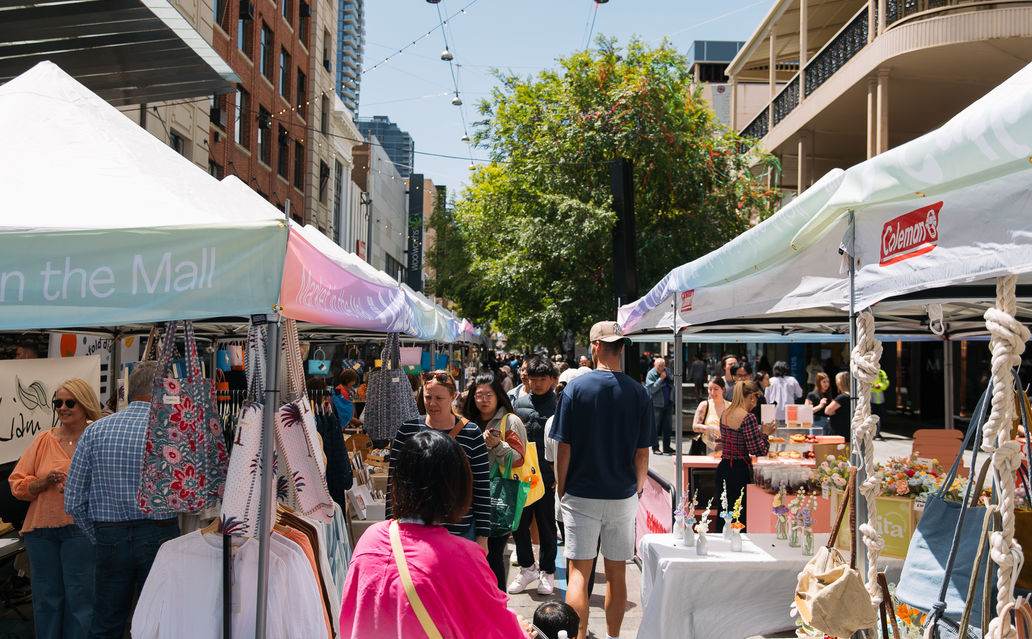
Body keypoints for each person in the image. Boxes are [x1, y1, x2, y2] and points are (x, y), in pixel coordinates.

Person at [339, 430, 533, 638]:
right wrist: (520, 628)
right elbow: (495, 627)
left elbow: (350, 618)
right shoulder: (463, 555)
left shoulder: (371, 539)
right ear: (457, 486)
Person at [64, 361, 181, 639]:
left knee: (106, 622)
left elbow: (73, 498)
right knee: (158, 621)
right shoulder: (171, 431)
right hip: (158, 533)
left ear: (130, 390)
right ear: (162, 390)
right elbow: (190, 497)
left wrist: (99, 534)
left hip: (110, 534)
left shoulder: (95, 431)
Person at [551, 321, 652, 639]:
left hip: (581, 492)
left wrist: (562, 485)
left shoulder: (575, 389)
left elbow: (563, 447)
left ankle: (578, 637)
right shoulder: (639, 392)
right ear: (621, 346)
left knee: (579, 573)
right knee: (617, 573)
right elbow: (642, 453)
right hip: (622, 494)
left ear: (595, 346)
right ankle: (613, 636)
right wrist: (636, 488)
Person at [10, 378, 101, 639]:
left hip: (79, 528)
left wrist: (76, 487)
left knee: (80, 598)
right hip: (40, 531)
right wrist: (41, 482)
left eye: (69, 402)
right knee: (46, 599)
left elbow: (108, 484)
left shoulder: (95, 437)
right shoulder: (43, 440)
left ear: (84, 405)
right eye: (58, 402)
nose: (62, 407)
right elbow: (17, 484)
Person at [386, 370, 491, 550]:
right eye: (427, 397)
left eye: (439, 398)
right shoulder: (407, 430)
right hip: (414, 531)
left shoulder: (472, 433)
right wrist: (389, 527)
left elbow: (482, 488)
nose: (432, 403)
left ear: (453, 397)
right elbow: (393, 484)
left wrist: (483, 537)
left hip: (460, 532)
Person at [460, 371, 528, 591]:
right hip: (468, 497)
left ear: (498, 395)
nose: (484, 400)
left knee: (493, 555)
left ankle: (498, 605)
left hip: (497, 497)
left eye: (489, 394)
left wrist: (496, 445)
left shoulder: (510, 421)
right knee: (471, 556)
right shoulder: (466, 422)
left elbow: (518, 459)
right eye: (479, 395)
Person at [509, 355, 559, 596]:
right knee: (518, 525)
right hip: (521, 477)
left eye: (543, 379)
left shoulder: (560, 406)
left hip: (547, 479)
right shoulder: (518, 405)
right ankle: (527, 567)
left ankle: (547, 571)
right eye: (534, 379)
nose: (538, 384)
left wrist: (559, 476)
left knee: (548, 527)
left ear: (552, 380)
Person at [714, 380, 776, 533]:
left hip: (724, 468)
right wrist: (766, 434)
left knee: (724, 513)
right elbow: (758, 450)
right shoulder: (748, 418)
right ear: (752, 397)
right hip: (739, 471)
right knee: (738, 517)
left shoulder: (725, 413)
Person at [644, 358, 676, 455]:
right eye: (659, 366)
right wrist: (661, 379)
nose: (661, 368)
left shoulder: (667, 371)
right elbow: (651, 389)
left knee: (667, 426)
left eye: (663, 366)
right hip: (656, 404)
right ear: (654, 365)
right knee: (656, 426)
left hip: (668, 403)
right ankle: (655, 447)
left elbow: (672, 383)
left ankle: (666, 447)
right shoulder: (651, 374)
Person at [691, 377, 727, 455]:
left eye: (716, 389)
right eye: (710, 389)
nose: (712, 392)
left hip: (726, 448)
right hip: (706, 447)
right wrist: (713, 429)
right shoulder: (704, 405)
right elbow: (695, 427)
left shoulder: (731, 407)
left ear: (723, 389)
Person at [824, 371, 853, 439]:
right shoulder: (852, 396)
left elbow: (827, 410)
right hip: (848, 429)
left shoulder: (842, 397)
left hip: (839, 432)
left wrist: (833, 410)